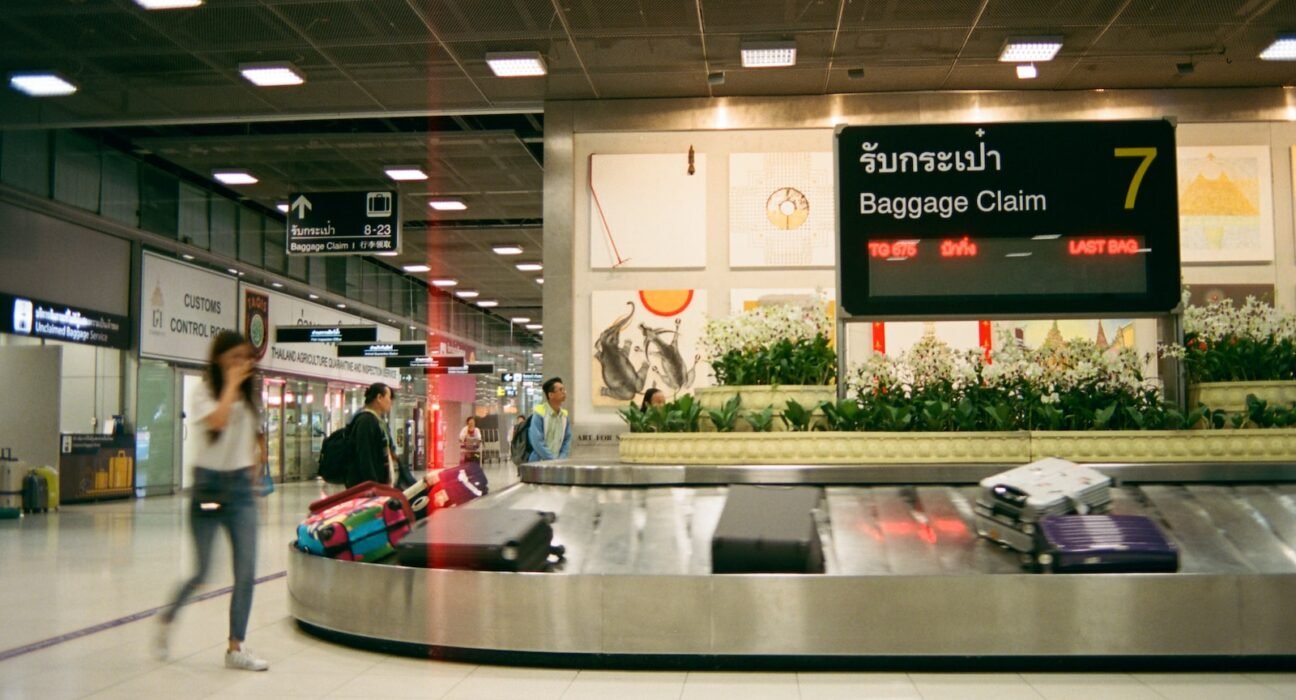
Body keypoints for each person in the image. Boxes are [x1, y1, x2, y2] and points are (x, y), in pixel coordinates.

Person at [155, 331, 268, 671]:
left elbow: (254, 439)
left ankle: (236, 647)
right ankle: (169, 617)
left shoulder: (250, 397)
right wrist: (231, 383)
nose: (241, 364)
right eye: (234, 358)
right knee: (202, 571)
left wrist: (254, 475)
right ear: (219, 360)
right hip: (209, 490)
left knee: (246, 571)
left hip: (241, 492)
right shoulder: (203, 392)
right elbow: (218, 421)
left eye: (245, 358)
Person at [346, 383, 396, 488]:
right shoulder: (366, 421)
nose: (391, 402)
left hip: (378, 484)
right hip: (365, 488)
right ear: (379, 398)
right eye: (389, 397)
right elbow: (365, 456)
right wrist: (372, 486)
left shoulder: (377, 420)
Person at [527, 377, 572, 461]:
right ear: (551, 395)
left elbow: (567, 440)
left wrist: (561, 459)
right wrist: (552, 460)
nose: (564, 392)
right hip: (538, 463)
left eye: (564, 389)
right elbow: (537, 442)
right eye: (560, 390)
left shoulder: (564, 416)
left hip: (557, 464)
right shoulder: (540, 414)